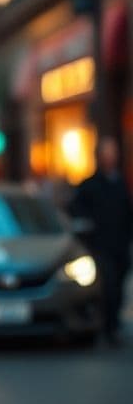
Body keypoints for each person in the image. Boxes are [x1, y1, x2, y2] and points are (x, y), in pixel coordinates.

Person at [67, 135, 133, 346]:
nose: (110, 157)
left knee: (118, 287)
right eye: (107, 153)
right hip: (100, 246)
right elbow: (75, 211)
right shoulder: (89, 185)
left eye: (113, 152)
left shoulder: (120, 182)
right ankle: (107, 326)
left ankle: (113, 324)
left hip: (120, 245)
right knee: (108, 287)